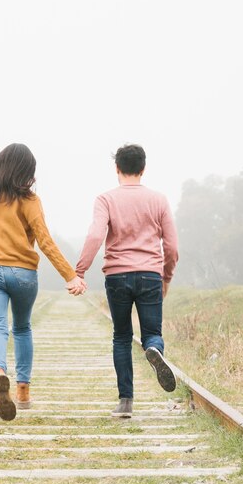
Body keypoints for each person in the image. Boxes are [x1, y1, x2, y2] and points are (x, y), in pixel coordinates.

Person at [0, 143, 86, 421]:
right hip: (22, 273)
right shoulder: (31, 200)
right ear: (27, 172)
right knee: (21, 328)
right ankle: (22, 392)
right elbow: (45, 241)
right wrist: (71, 276)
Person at [75, 144, 179, 418]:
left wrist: (80, 271)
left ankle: (125, 403)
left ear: (117, 168)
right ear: (143, 169)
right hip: (150, 275)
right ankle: (154, 350)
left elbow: (96, 236)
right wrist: (166, 276)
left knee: (121, 337)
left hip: (117, 275)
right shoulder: (159, 200)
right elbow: (172, 246)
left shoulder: (106, 199)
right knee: (152, 333)